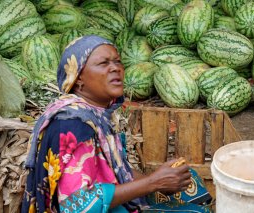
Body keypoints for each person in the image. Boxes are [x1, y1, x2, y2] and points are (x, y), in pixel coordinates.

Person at [21, 35, 212, 213]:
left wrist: (161, 181)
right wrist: (154, 183)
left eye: (117, 61)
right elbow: (77, 205)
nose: (116, 68)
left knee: (192, 185)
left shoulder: (94, 114)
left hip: (111, 202)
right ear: (78, 78)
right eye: (103, 63)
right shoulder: (74, 124)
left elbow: (118, 170)